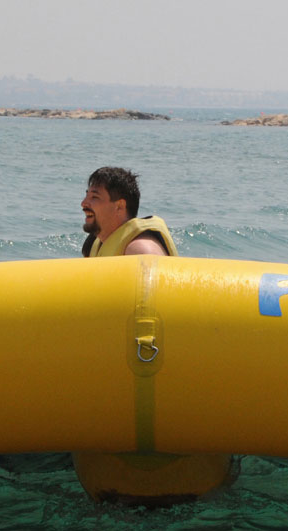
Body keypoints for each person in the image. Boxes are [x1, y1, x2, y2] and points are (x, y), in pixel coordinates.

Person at [74, 167, 233, 505]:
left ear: (120, 207)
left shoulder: (141, 249)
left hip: (153, 365)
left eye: (94, 197)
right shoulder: (97, 244)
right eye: (87, 195)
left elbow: (150, 315)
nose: (84, 203)